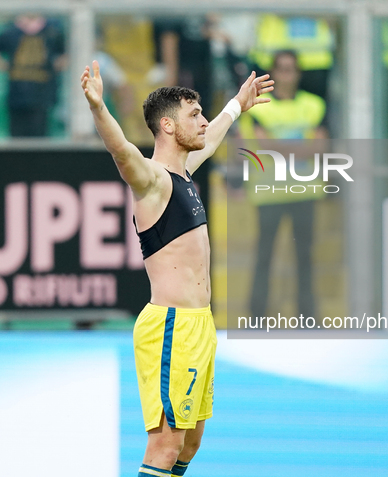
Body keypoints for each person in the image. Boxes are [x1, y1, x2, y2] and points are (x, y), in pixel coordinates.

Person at [81, 60, 273, 477]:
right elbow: (121, 150)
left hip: (199, 325)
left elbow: (213, 136)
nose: (203, 122)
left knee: (190, 441)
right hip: (171, 327)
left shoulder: (183, 175)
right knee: (165, 445)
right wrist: (99, 108)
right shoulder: (152, 180)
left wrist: (237, 106)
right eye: (194, 115)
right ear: (167, 126)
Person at [241, 50, 328, 320]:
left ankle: (308, 317)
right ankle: (257, 318)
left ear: (298, 73)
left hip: (305, 192)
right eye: (282, 69)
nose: (287, 74)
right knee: (264, 256)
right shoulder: (260, 105)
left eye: (292, 69)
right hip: (270, 193)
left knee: (305, 257)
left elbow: (321, 146)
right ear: (274, 73)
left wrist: (281, 146)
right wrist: (301, 146)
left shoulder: (315, 105)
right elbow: (262, 146)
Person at [0, 13, 67, 137]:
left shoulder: (52, 32)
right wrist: (3, 66)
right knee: (17, 138)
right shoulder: (10, 32)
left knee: (39, 137)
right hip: (17, 95)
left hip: (42, 96)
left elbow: (67, 53)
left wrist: (56, 67)